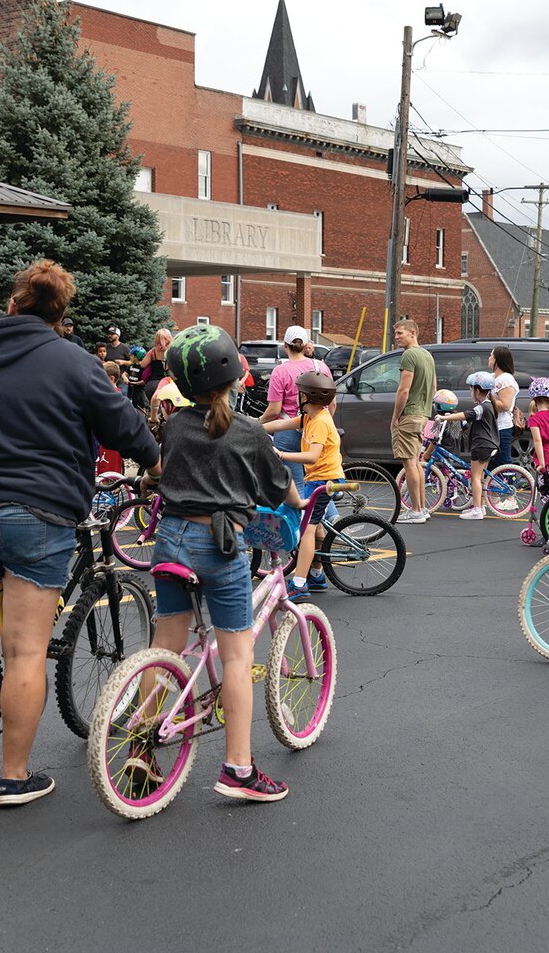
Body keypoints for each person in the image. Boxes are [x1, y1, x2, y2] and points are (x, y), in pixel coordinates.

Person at [0, 259, 159, 807]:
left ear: (13, 304)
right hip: (34, 514)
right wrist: (156, 464)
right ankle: (14, 776)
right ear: (61, 315)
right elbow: (124, 425)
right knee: (25, 651)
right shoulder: (75, 361)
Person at [145, 324, 304, 803]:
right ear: (234, 377)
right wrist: (300, 503)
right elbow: (280, 490)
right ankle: (239, 768)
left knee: (165, 646)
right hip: (219, 547)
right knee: (237, 656)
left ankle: (141, 744)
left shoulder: (173, 425)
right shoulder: (249, 432)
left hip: (170, 541)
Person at [264, 369, 342, 598]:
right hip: (316, 478)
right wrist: (250, 428)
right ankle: (316, 575)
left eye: (299, 393)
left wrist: (281, 455)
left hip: (322, 479)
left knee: (307, 529)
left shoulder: (320, 421)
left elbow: (312, 457)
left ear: (308, 397)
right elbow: (280, 425)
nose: (297, 396)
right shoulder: (310, 417)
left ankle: (299, 584)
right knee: (309, 523)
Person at [260, 325, 331, 487]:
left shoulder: (280, 371)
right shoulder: (320, 367)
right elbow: (331, 403)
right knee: (318, 482)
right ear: (306, 345)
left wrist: (258, 421)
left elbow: (274, 411)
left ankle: (299, 513)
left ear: (285, 346)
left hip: (288, 430)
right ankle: (332, 514)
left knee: (296, 484)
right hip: (317, 428)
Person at [436, 371, 498, 521]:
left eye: (471, 389)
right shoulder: (489, 406)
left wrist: (445, 417)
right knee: (480, 477)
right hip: (490, 444)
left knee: (475, 477)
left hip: (481, 445)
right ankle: (480, 506)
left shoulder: (482, 407)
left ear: (477, 391)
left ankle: (476, 510)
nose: (471, 392)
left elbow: (464, 415)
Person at [391, 319, 436, 524]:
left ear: (412, 333)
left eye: (400, 333)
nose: (397, 336)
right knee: (416, 461)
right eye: (396, 333)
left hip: (410, 413)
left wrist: (395, 416)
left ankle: (416, 510)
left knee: (409, 462)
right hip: (423, 413)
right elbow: (434, 387)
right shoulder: (427, 355)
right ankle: (422, 508)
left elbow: (404, 389)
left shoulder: (409, 355)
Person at [487, 346, 519, 472]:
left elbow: (505, 405)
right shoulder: (491, 377)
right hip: (491, 425)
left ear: (497, 360)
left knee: (503, 461)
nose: (489, 358)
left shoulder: (506, 379)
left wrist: (487, 400)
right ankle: (491, 489)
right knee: (491, 461)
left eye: (491, 355)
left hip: (501, 426)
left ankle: (510, 488)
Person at [526, 378, 549, 474]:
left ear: (533, 398)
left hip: (546, 458)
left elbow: (537, 441)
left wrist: (541, 463)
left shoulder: (534, 418)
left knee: (546, 488)